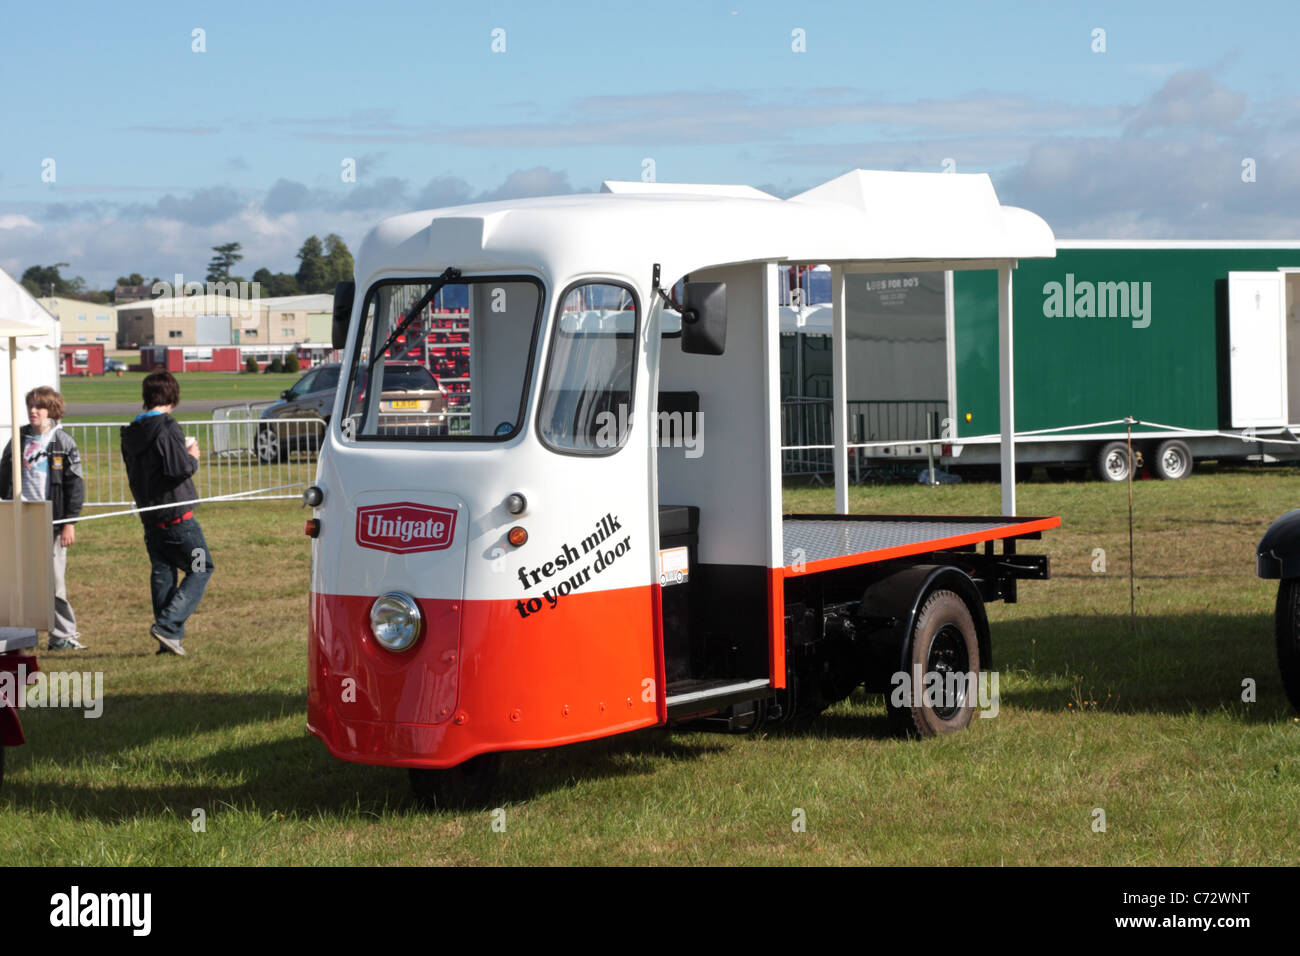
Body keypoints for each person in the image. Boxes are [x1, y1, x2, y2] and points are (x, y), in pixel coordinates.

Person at [120, 371, 213, 656]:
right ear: (173, 396)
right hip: (178, 519)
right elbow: (177, 469)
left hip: (151, 518)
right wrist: (193, 457)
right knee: (201, 567)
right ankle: (169, 626)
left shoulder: (131, 431)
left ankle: (167, 641)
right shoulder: (167, 426)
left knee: (163, 574)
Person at [1, 386, 86, 650]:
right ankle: (18, 635)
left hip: (52, 522)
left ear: (52, 410)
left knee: (54, 583)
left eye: (40, 406)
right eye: (31, 406)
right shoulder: (19, 438)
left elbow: (75, 485)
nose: (33, 411)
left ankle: (63, 635)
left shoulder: (62, 442)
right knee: (19, 582)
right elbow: (3, 474)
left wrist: (69, 522)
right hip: (21, 519)